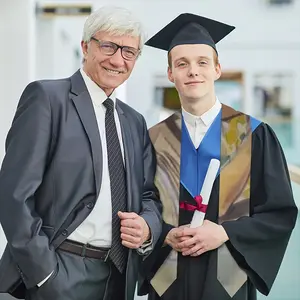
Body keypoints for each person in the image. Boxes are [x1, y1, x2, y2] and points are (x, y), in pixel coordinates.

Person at [0, 6, 162, 300]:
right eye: (109, 46)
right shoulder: (48, 100)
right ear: (86, 46)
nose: (117, 60)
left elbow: (148, 194)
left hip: (117, 276)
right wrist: (44, 273)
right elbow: (14, 195)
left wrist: (147, 227)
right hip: (58, 271)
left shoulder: (134, 121)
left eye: (129, 52)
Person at [138, 13, 298, 300]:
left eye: (202, 62)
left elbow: (279, 213)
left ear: (217, 69)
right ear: (171, 74)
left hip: (227, 282)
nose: (193, 71)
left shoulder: (253, 135)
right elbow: (140, 205)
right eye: (182, 64)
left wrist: (226, 233)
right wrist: (164, 234)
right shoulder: (153, 139)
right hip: (168, 281)